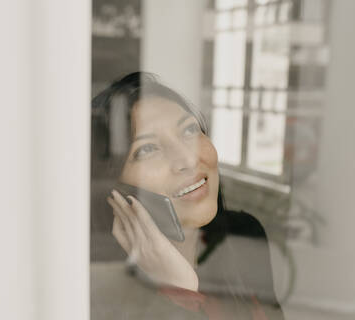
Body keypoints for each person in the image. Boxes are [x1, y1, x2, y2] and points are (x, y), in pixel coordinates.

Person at [91, 72, 285, 319]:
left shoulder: (243, 234)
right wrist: (177, 291)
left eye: (190, 130)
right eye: (147, 148)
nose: (188, 158)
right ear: (111, 185)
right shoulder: (101, 284)